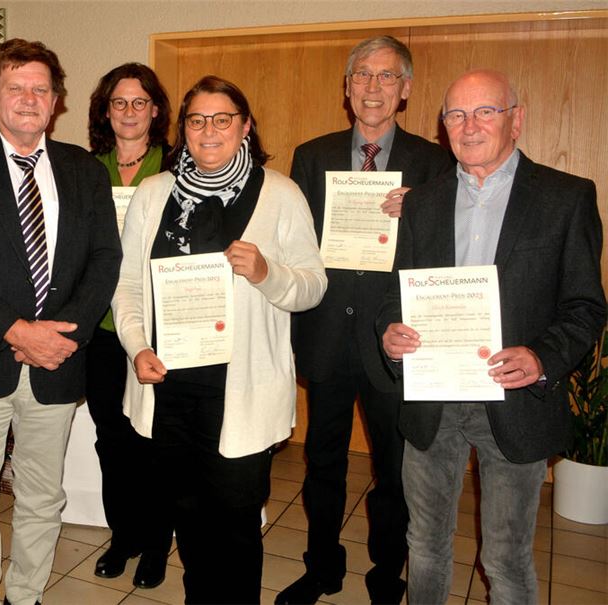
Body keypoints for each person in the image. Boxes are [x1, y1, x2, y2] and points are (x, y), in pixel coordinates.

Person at [379, 69, 605, 605]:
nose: (470, 125)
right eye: (456, 114)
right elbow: (396, 292)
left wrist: (543, 357)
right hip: (434, 398)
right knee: (424, 544)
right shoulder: (422, 202)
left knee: (506, 557)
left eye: (486, 112)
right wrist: (390, 331)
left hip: (515, 400)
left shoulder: (565, 197)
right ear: (443, 127)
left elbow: (586, 306)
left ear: (516, 121)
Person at [112, 75, 327, 604]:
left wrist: (267, 273)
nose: (209, 130)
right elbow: (128, 284)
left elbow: (313, 286)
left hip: (241, 391)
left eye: (222, 119)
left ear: (245, 126)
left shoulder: (280, 194)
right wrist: (137, 346)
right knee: (186, 516)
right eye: (197, 120)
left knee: (236, 522)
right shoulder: (154, 193)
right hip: (167, 386)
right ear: (182, 128)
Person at [0, 39, 121, 605]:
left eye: (41, 89)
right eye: (16, 87)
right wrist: (17, 331)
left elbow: (104, 260)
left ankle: (26, 594)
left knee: (42, 495)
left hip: (58, 361)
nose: (29, 99)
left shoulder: (85, 171)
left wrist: (64, 335)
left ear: (56, 101)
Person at [279, 36, 451, 605]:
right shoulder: (312, 155)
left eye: (386, 76)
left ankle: (386, 573)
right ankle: (321, 568)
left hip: (394, 341)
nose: (372, 88)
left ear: (406, 89)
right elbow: (296, 244)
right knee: (322, 461)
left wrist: (420, 209)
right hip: (327, 333)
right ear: (347, 86)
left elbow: (447, 248)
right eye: (362, 76)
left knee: (394, 470)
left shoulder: (434, 162)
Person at [84, 62, 173, 588]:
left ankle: (157, 543)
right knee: (111, 437)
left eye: (140, 102)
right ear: (106, 111)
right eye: (119, 102)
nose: (130, 111)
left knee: (153, 440)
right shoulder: (84, 169)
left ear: (155, 110)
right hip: (99, 326)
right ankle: (124, 535)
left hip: (156, 326)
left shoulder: (176, 166)